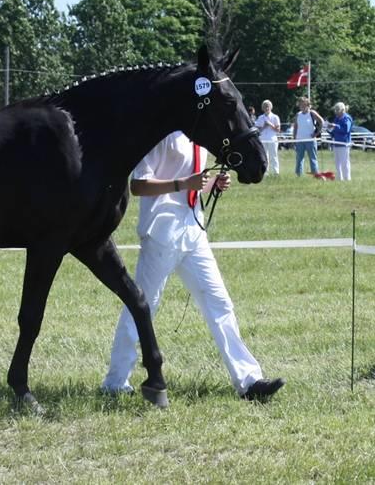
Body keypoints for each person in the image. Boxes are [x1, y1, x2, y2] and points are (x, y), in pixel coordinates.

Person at [101, 131, 285, 401]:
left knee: (219, 303)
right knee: (142, 308)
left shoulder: (200, 135)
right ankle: (115, 382)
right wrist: (186, 182)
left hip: (194, 233)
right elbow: (138, 185)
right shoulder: (162, 134)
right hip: (161, 232)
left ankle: (249, 382)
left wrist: (210, 185)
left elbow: (193, 187)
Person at [292, 97, 324, 176]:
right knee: (299, 159)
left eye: (303, 104)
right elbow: (295, 126)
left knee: (313, 158)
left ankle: (315, 174)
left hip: (310, 140)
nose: (301, 106)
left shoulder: (312, 113)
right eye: (300, 105)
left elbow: (321, 122)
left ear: (307, 105)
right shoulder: (298, 114)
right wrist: (294, 138)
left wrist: (316, 133)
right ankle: (298, 175)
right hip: (299, 140)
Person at [327, 101, 353, 181]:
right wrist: (329, 129)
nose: (336, 112)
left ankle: (347, 178)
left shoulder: (347, 118)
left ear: (342, 110)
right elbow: (334, 131)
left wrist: (335, 126)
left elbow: (346, 129)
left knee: (344, 162)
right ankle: (339, 178)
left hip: (344, 143)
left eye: (337, 110)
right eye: (335, 110)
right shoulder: (336, 118)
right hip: (336, 143)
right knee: (337, 162)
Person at [254, 99, 281, 176]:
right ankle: (265, 172)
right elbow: (258, 130)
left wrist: (270, 124)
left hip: (272, 140)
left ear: (271, 107)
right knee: (264, 157)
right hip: (263, 140)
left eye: (268, 106)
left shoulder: (275, 117)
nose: (266, 108)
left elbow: (278, 130)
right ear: (262, 108)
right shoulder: (260, 118)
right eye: (265, 106)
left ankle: (276, 172)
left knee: (274, 156)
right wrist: (264, 126)